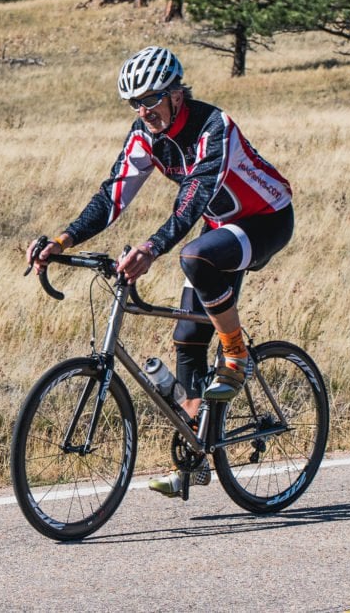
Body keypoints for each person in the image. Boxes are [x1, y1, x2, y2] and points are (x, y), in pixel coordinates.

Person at [28, 45, 294, 496]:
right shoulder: (144, 135)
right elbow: (113, 195)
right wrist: (62, 240)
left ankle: (238, 355)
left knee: (194, 256)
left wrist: (152, 248)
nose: (142, 111)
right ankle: (196, 455)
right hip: (219, 227)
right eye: (134, 104)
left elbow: (192, 199)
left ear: (175, 95)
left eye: (150, 100)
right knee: (187, 340)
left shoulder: (214, 126)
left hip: (264, 218)